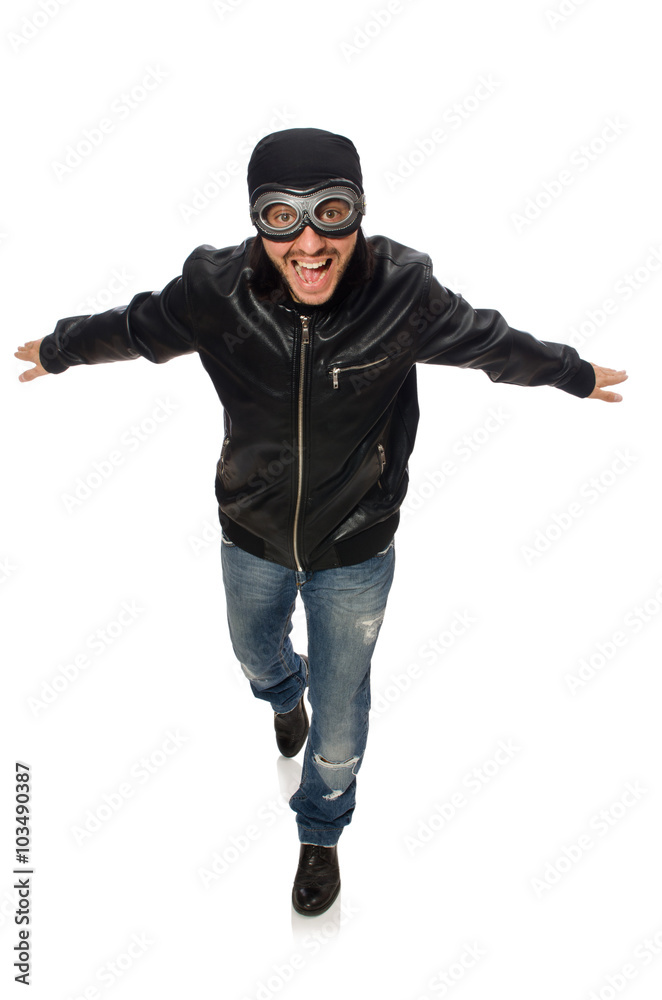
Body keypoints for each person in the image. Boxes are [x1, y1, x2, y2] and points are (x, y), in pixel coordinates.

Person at [15, 127, 627, 917]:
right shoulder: (213, 292)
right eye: (283, 217)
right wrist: (60, 349)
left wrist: (572, 373)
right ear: (258, 220)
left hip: (355, 548)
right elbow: (135, 328)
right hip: (252, 530)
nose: (309, 242)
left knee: (339, 723)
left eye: (330, 212)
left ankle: (321, 832)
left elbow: (489, 344)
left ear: (358, 211)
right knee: (253, 653)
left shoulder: (403, 293)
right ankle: (282, 695)